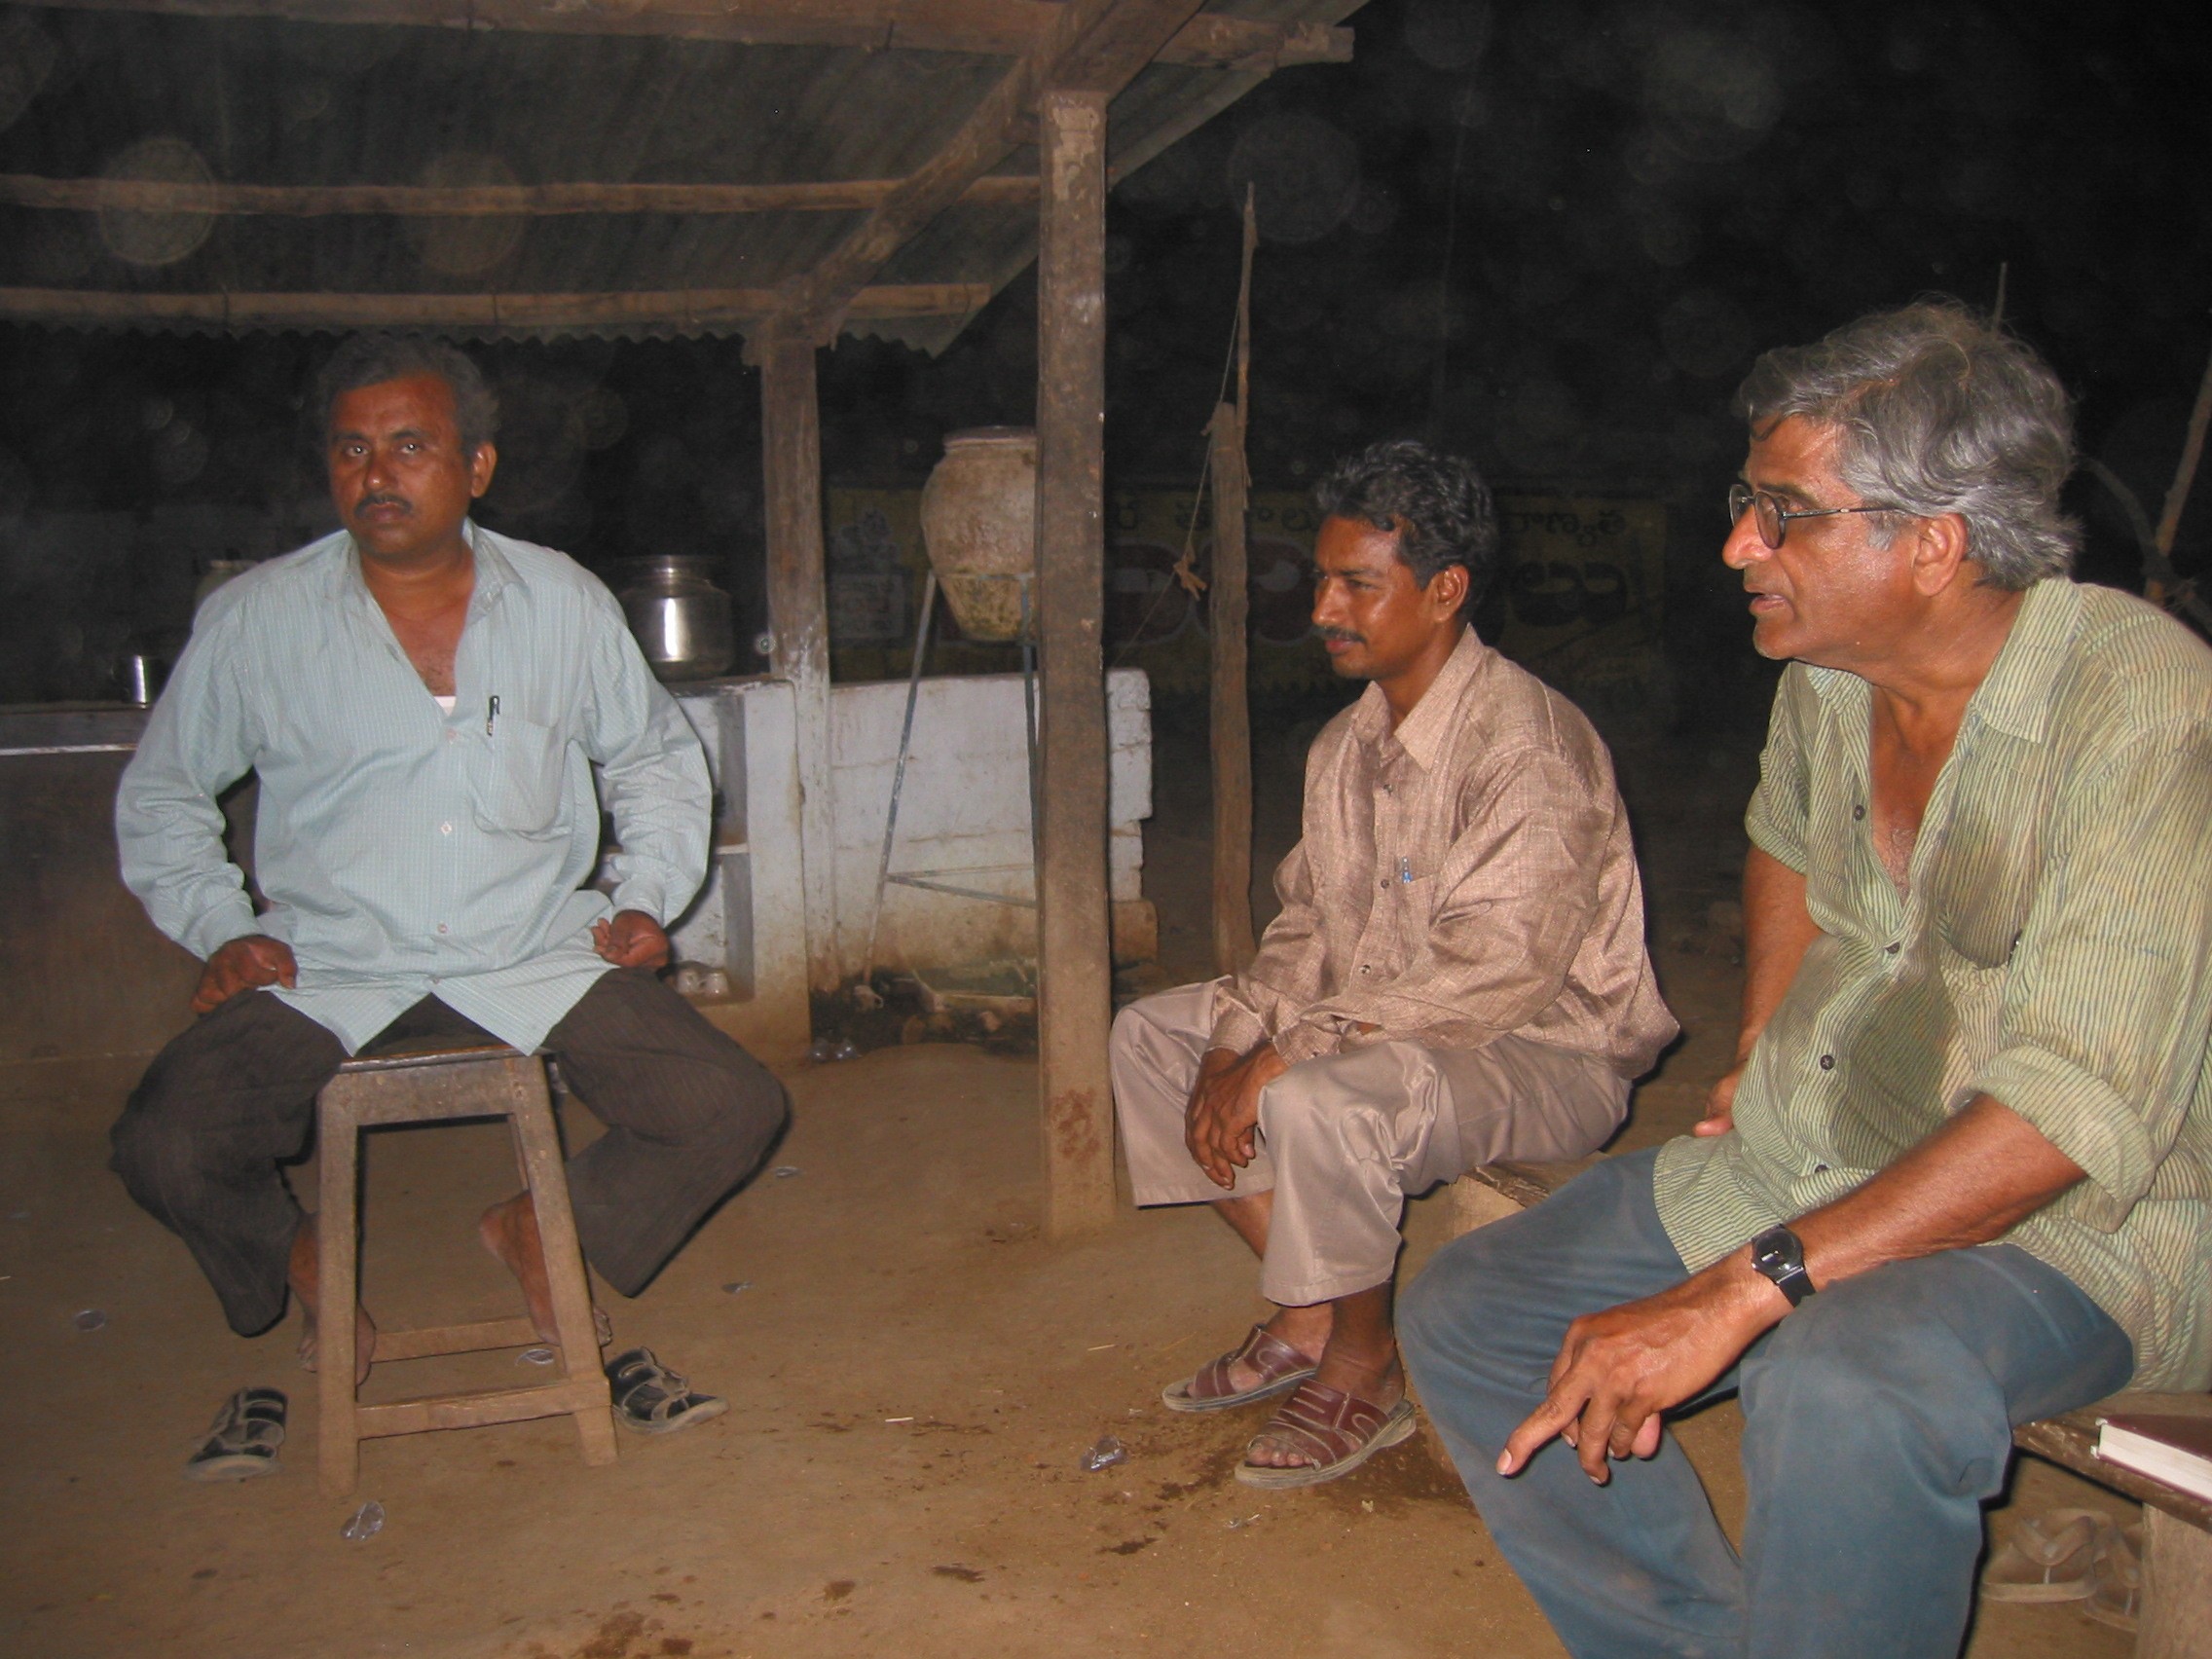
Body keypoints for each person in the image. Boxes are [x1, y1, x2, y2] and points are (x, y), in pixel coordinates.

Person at [1400, 301, 2212, 1658]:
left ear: (1933, 544)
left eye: (1784, 515)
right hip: (1821, 1153)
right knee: (1475, 1310)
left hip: (2083, 1222)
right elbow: (1783, 837)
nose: (1739, 546)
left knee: (1843, 1382)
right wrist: (1767, 1032)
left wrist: (1742, 1287)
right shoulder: (1834, 677)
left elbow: (2073, 1110)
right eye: (1747, 503)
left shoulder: (2141, 712)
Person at [112, 335, 789, 1456]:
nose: (377, 473)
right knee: (166, 1141)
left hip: (529, 950)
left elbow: (655, 762)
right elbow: (165, 794)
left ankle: (540, 1230)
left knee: (731, 1107)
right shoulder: (258, 620)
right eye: (352, 450)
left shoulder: (561, 602)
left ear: (475, 466)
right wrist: (224, 930)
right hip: (330, 961)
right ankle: (304, 1260)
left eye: (410, 446)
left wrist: (644, 898)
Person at [1111, 438, 1677, 1488]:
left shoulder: (1527, 746)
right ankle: (1313, 1317)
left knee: (1321, 1096)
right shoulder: (1345, 747)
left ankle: (1367, 1373)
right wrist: (1234, 1042)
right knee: (1154, 1038)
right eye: (1322, 579)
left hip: (1545, 1053)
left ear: (1445, 590)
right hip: (1398, 1027)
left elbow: (1492, 973)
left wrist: (1284, 1056)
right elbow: (1307, 927)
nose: (1324, 607)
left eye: (1357, 584)